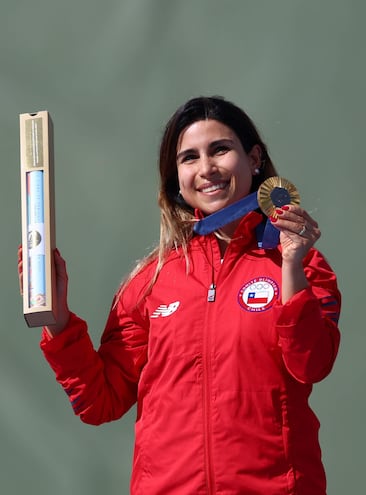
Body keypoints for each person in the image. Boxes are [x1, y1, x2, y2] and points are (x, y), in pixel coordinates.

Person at [18, 96, 341, 494]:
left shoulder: (303, 265)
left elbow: (311, 365)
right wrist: (58, 319)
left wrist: (290, 266)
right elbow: (102, 400)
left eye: (220, 149)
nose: (206, 169)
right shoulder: (151, 281)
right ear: (176, 177)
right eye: (189, 158)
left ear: (254, 157)